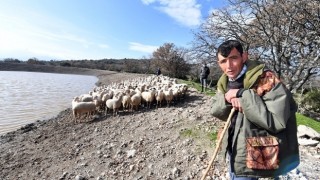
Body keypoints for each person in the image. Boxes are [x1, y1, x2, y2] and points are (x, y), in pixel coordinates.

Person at [210, 40, 299, 179]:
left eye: (234, 58)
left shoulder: (267, 80)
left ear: (244, 57)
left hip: (256, 153)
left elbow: (277, 121)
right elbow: (216, 111)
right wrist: (227, 98)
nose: (229, 66)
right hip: (233, 148)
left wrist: (242, 94)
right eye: (223, 61)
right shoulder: (224, 82)